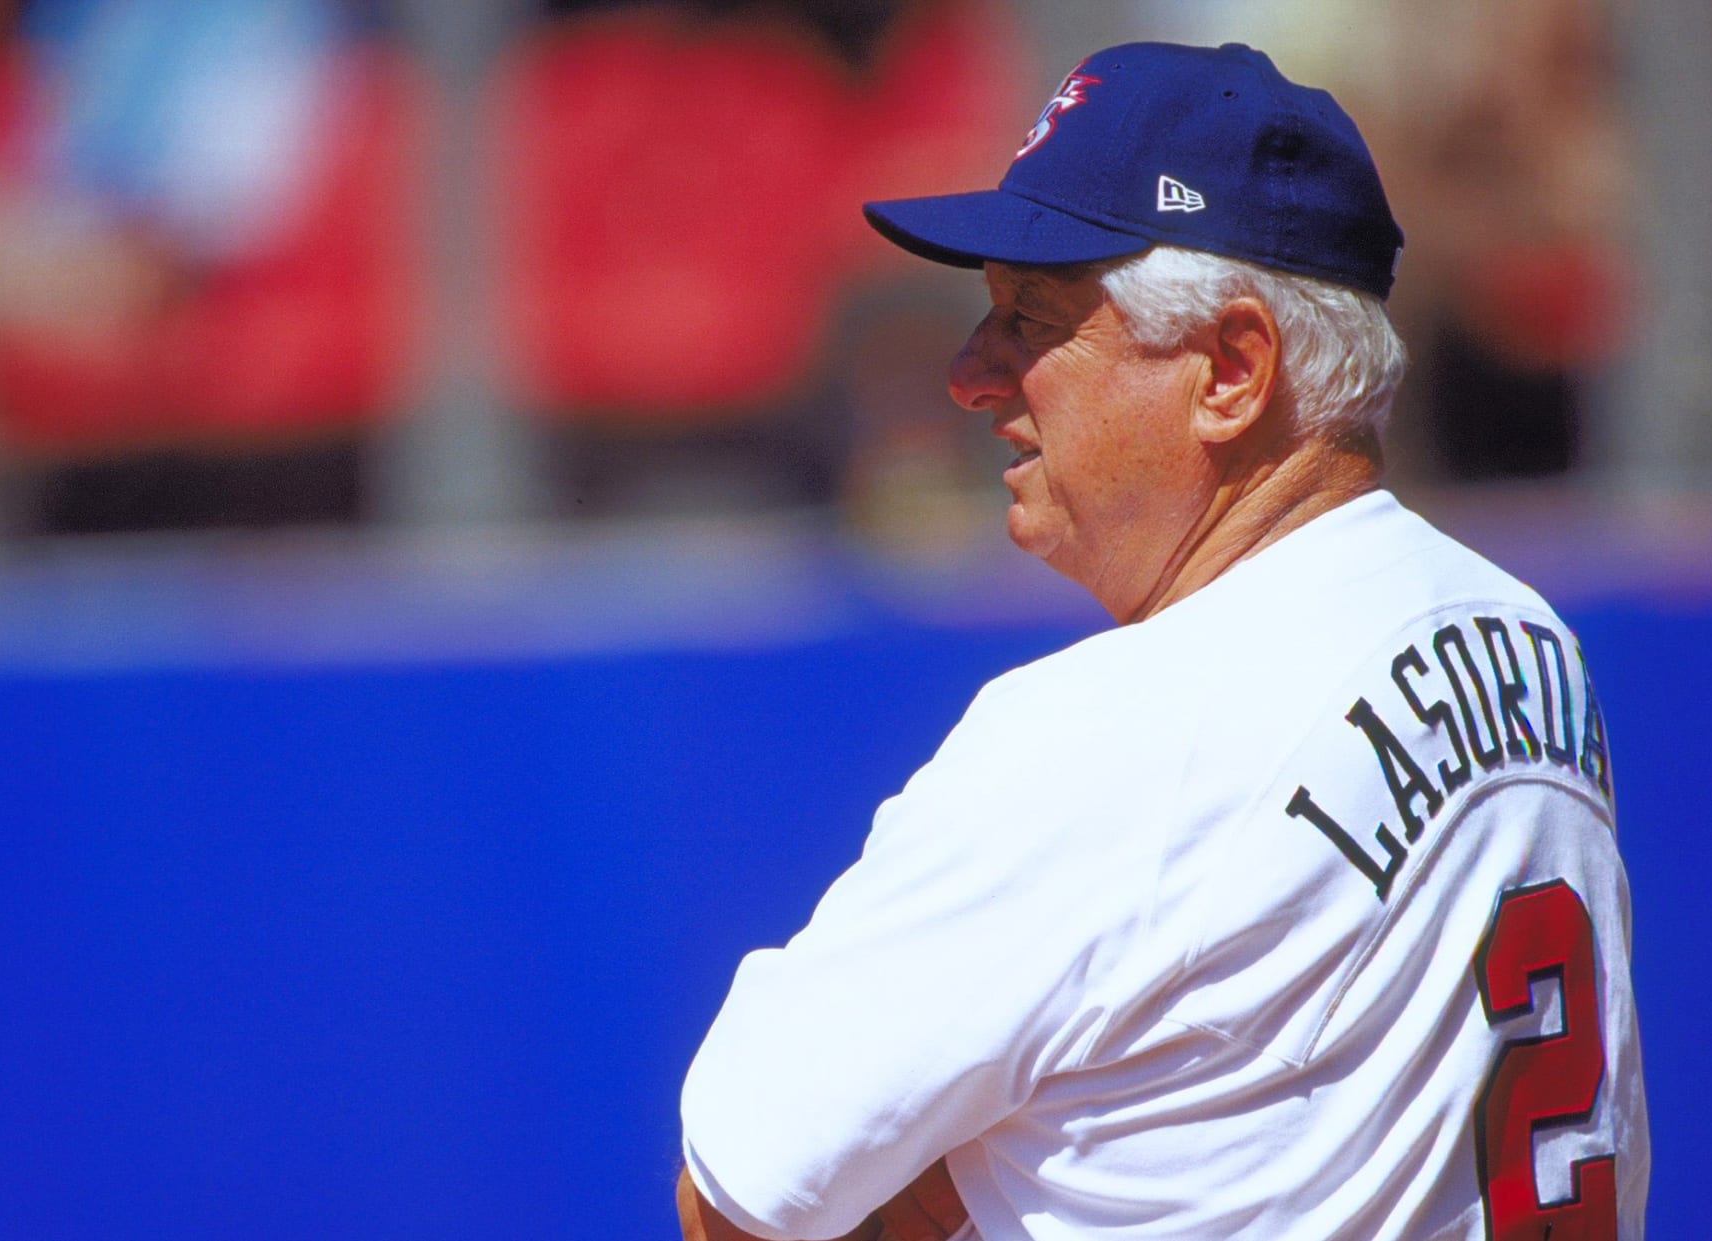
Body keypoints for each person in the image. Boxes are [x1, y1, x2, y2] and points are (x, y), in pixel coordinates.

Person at [676, 41, 1647, 1241]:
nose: (972, 374)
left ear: (1233, 371)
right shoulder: (1526, 638)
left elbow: (739, 1193)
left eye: (1031, 317)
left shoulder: (1100, 732)